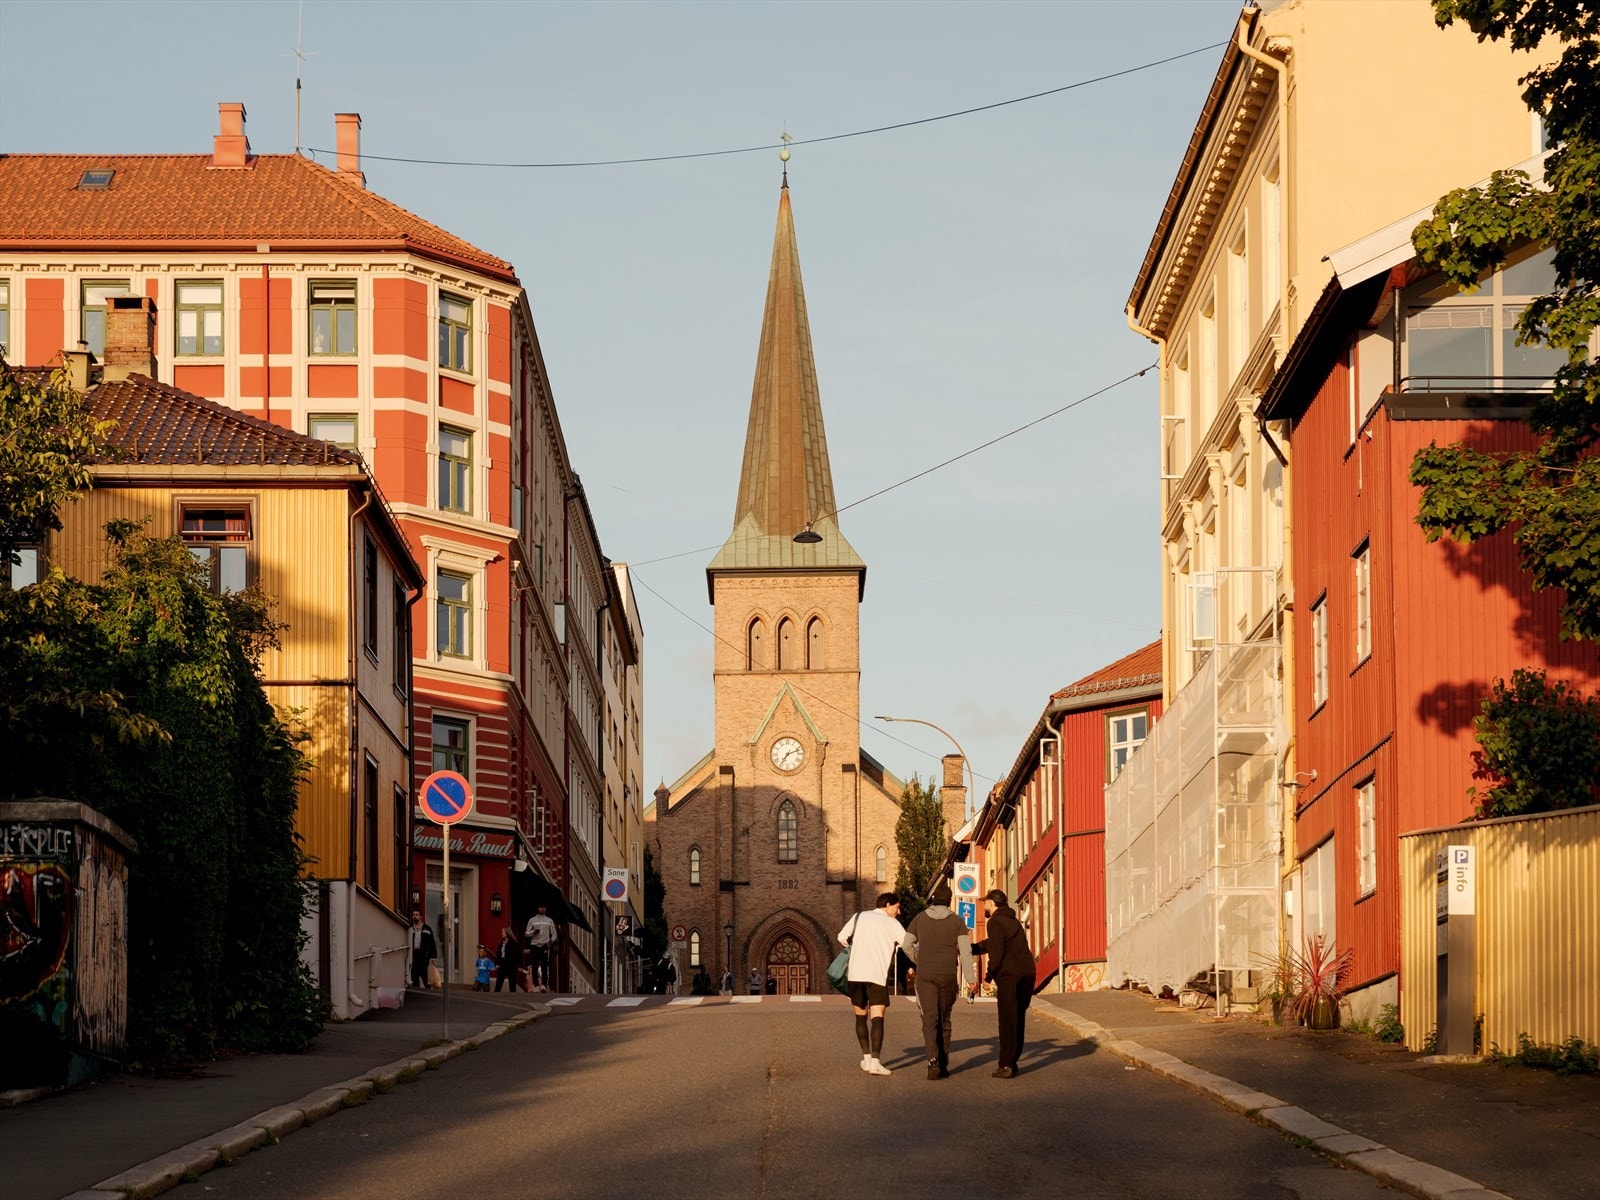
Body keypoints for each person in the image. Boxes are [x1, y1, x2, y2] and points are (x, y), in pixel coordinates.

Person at [906, 879, 975, 1080]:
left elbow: (906, 944)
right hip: (947, 974)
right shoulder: (957, 922)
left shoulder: (919, 919)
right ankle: (943, 1062)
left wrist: (919, 959)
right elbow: (965, 952)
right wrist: (971, 979)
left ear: (934, 900)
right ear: (950, 901)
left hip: (925, 974)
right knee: (944, 1019)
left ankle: (932, 1061)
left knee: (929, 1018)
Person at [836, 891, 910, 1076]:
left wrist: (856, 946)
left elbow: (841, 937)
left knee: (860, 1017)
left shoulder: (859, 916)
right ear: (887, 905)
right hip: (876, 976)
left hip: (855, 974)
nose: (898, 911)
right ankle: (876, 1062)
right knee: (877, 1017)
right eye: (897, 907)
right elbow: (907, 944)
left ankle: (866, 1059)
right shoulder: (892, 923)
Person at [969, 889, 1036, 1078]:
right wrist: (973, 948)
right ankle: (1012, 1062)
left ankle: (1006, 1064)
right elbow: (994, 943)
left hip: (1010, 976)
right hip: (1028, 973)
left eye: (985, 902)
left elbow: (996, 954)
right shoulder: (1013, 921)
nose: (984, 906)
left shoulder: (995, 921)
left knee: (1007, 1020)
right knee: (1017, 1019)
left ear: (992, 903)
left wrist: (988, 976)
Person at [524, 904, 558, 992]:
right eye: (541, 907)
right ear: (537, 908)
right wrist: (533, 932)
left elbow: (554, 933)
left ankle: (543, 985)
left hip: (544, 945)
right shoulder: (532, 920)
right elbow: (526, 933)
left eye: (544, 907)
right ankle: (535, 986)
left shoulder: (549, 920)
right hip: (534, 944)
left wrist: (551, 941)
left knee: (544, 966)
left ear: (546, 908)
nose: (542, 909)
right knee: (534, 966)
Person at [408, 911, 438, 988]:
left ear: (421, 917)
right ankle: (416, 992)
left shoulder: (427, 929)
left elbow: (432, 943)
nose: (415, 916)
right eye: (413, 915)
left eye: (417, 915)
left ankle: (428, 991)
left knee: (425, 976)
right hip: (414, 955)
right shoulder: (410, 928)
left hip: (424, 956)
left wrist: (433, 957)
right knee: (414, 975)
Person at [493, 925, 522, 992]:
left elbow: (518, 954)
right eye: (502, 931)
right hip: (502, 963)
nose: (502, 933)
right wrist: (497, 963)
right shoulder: (501, 943)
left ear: (507, 932)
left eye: (503, 931)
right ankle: (495, 995)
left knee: (512, 983)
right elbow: (498, 954)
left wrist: (519, 965)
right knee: (499, 981)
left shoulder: (513, 943)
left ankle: (513, 997)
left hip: (511, 964)